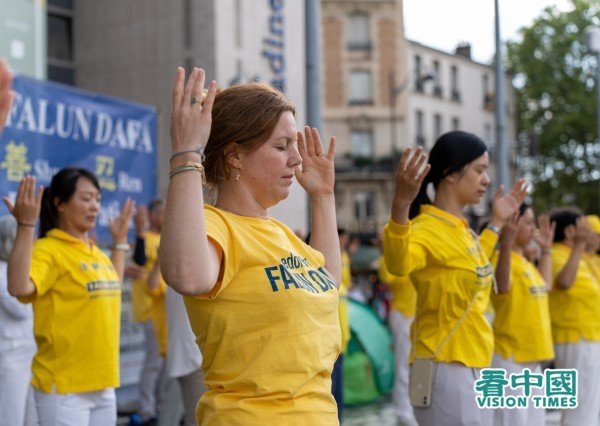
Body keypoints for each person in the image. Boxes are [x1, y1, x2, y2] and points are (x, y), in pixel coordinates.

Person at [159, 67, 341, 424]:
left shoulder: (282, 234)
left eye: (294, 145)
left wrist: (323, 197)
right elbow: (189, 275)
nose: (296, 159)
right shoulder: (216, 225)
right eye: (281, 146)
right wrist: (185, 155)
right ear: (235, 155)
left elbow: (328, 284)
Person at [382, 130, 527, 425]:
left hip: (476, 361)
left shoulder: (462, 230)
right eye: (479, 170)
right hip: (446, 365)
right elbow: (398, 264)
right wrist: (400, 206)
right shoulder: (425, 227)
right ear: (450, 173)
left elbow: (477, 266)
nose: (486, 180)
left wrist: (497, 223)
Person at [3, 168, 135, 425]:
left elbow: (111, 288)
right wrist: (26, 225)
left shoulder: (93, 251)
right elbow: (18, 287)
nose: (94, 206)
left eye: (97, 199)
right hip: (63, 387)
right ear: (60, 204)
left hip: (103, 383)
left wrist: (119, 242)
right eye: (86, 199)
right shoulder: (49, 250)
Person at [491, 205, 555, 425]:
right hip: (510, 357)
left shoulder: (526, 263)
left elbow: (546, 286)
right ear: (511, 225)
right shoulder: (500, 258)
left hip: (531, 359)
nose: (533, 228)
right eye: (527, 222)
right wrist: (506, 244)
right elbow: (501, 286)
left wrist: (546, 250)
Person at [548, 207, 600, 425]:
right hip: (573, 338)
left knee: (587, 406)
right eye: (583, 227)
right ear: (570, 231)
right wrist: (579, 246)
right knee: (578, 407)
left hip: (587, 337)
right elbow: (564, 282)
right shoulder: (557, 254)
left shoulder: (576, 257)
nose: (588, 232)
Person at [147, 257, 205, 426]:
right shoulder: (184, 270)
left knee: (175, 417)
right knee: (195, 420)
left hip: (190, 357)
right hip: (193, 358)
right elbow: (151, 286)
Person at [131, 200, 168, 425]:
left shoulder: (168, 237)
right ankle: (147, 410)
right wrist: (139, 230)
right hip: (149, 309)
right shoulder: (145, 237)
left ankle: (162, 407)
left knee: (164, 363)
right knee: (153, 363)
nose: (165, 216)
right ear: (153, 215)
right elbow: (139, 260)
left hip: (167, 310)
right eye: (162, 212)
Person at [0, 215, 38, 426]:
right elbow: (21, 309)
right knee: (10, 412)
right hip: (11, 353)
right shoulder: (1, 271)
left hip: (31, 349)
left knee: (32, 412)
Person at [378, 255, 417, 426]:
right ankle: (403, 412)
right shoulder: (392, 257)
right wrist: (386, 252)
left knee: (415, 367)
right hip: (403, 314)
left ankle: (411, 409)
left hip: (417, 316)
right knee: (403, 365)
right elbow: (387, 277)